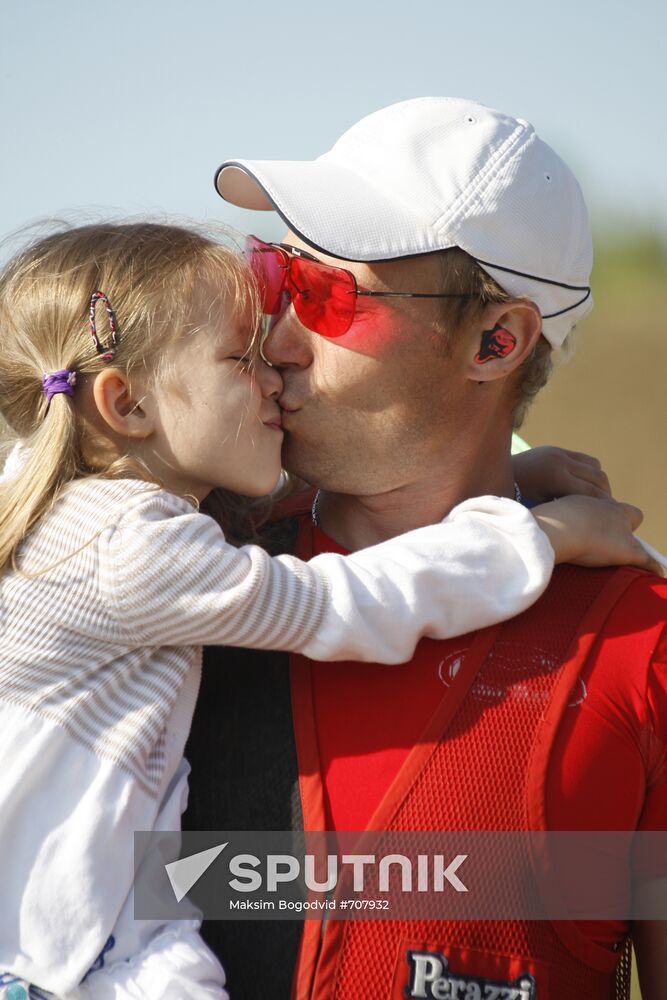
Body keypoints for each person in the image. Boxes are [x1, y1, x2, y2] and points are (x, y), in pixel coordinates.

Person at [0, 220, 643, 1000]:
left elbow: (274, 496)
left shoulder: (97, 515)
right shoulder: (130, 551)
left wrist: (505, 471)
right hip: (54, 957)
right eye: (239, 356)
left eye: (330, 300)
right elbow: (340, 603)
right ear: (126, 402)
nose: (273, 363)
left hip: (95, 933)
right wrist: (530, 535)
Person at [184, 97, 667, 998]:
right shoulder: (166, 593)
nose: (275, 339)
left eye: (328, 296)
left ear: (496, 340)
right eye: (277, 278)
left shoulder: (643, 646)